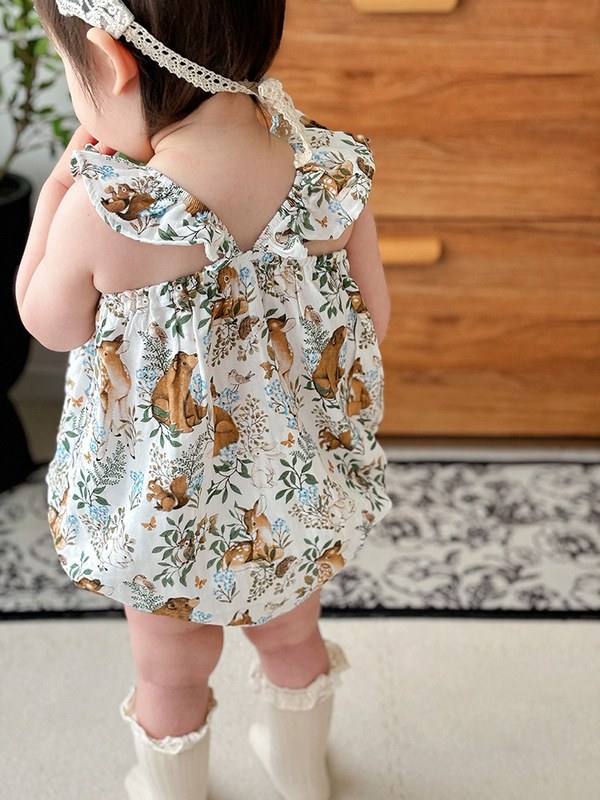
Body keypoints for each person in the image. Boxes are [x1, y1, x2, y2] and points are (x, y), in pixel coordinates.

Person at [16, 1, 393, 798]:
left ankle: (172, 789)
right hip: (293, 503)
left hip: (162, 516)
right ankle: (301, 773)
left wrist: (54, 191)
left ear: (111, 61)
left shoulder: (106, 210)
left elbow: (48, 324)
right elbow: (372, 325)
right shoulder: (332, 175)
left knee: (171, 674)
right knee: (292, 639)